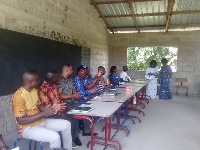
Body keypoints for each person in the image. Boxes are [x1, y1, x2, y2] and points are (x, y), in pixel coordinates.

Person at [11, 71, 72, 150]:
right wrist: (43, 113)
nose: (39, 82)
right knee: (55, 137)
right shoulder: (19, 96)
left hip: (41, 121)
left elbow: (39, 105)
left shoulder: (34, 91)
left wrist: (51, 109)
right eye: (37, 80)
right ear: (30, 82)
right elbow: (20, 120)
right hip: (28, 128)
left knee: (66, 124)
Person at [38, 70, 82, 148]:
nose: (58, 78)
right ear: (50, 78)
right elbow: (47, 108)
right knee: (69, 119)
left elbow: (59, 99)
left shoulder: (54, 86)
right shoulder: (43, 89)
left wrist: (64, 110)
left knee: (73, 116)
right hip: (50, 114)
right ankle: (62, 142)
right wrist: (59, 112)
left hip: (59, 110)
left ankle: (74, 138)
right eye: (56, 77)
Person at [57, 64, 83, 146]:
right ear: (66, 71)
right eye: (71, 70)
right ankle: (73, 138)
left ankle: (77, 135)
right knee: (73, 116)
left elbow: (73, 89)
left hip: (72, 101)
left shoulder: (70, 79)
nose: (72, 71)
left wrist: (75, 94)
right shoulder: (59, 80)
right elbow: (59, 95)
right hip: (64, 103)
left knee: (83, 108)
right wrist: (73, 96)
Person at [73, 65, 98, 136]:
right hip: (77, 101)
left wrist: (88, 94)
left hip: (83, 99)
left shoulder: (81, 79)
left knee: (92, 107)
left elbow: (84, 91)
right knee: (87, 110)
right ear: (79, 72)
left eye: (85, 72)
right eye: (83, 72)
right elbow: (80, 94)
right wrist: (90, 92)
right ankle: (86, 131)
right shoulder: (76, 80)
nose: (85, 74)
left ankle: (87, 129)